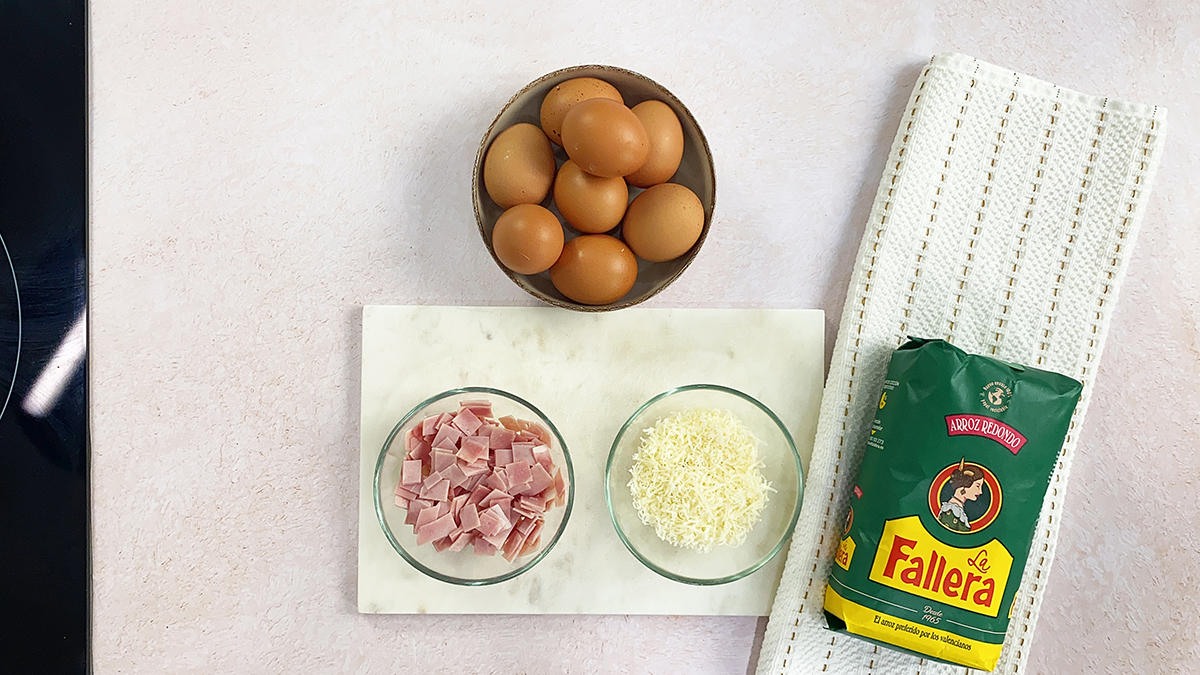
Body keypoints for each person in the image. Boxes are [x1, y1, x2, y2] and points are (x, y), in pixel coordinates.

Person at [938, 459, 986, 533]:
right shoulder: (951, 510)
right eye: (977, 486)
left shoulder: (957, 509)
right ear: (966, 483)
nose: (980, 491)